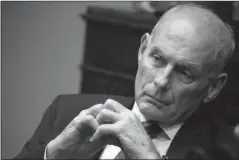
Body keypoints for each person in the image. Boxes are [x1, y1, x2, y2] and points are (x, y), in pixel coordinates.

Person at [15, 3, 238, 159]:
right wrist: (52, 155)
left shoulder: (225, 151)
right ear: (143, 49)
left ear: (214, 87)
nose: (161, 81)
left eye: (185, 73)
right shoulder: (65, 112)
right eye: (158, 59)